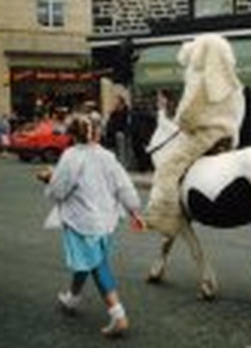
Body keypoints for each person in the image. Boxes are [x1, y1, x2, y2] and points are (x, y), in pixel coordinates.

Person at [38, 114, 145, 337]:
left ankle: (118, 316)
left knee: (97, 264)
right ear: (96, 133)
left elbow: (59, 190)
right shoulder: (108, 156)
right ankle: (72, 298)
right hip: (107, 221)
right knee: (88, 260)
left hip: (81, 221)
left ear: (72, 135)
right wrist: (134, 210)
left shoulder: (70, 156)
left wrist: (48, 178)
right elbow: (123, 185)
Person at [146, 33, 245, 237]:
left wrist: (181, 123)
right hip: (229, 135)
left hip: (205, 135)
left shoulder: (200, 78)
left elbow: (188, 111)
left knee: (168, 167)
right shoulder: (233, 81)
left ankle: (167, 219)